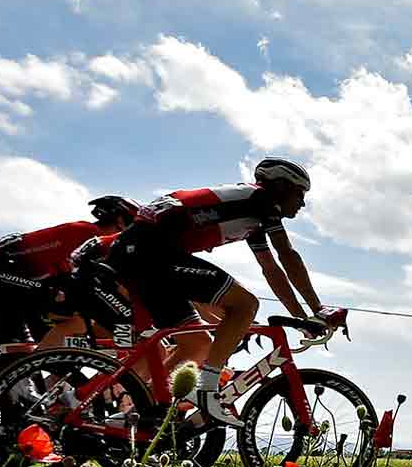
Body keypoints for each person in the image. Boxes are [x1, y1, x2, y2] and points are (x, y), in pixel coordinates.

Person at [107, 158, 340, 426]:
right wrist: (318, 310)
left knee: (198, 344)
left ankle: (134, 415)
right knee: (244, 304)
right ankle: (207, 388)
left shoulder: (252, 213)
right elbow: (288, 257)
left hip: (139, 253)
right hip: (150, 252)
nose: (302, 203)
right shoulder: (262, 200)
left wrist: (302, 318)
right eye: (300, 193)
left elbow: (272, 270)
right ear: (280, 186)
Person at [0, 196, 141, 351]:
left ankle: (50, 382)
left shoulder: (91, 242)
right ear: (120, 220)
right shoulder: (88, 234)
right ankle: (25, 375)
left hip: (16, 284)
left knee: (68, 335)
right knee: (75, 322)